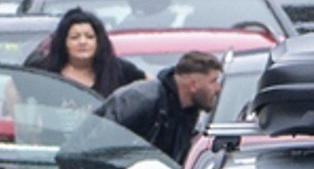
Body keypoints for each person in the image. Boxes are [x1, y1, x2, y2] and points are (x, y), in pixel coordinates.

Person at [93, 51, 223, 162]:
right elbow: (99, 147)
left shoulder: (189, 112)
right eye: (213, 81)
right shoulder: (140, 100)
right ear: (193, 85)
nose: (218, 88)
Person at [25, 7, 143, 97]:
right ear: (63, 42)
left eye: (90, 37)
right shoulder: (43, 71)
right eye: (74, 37)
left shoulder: (119, 70)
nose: (82, 42)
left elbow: (150, 88)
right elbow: (16, 86)